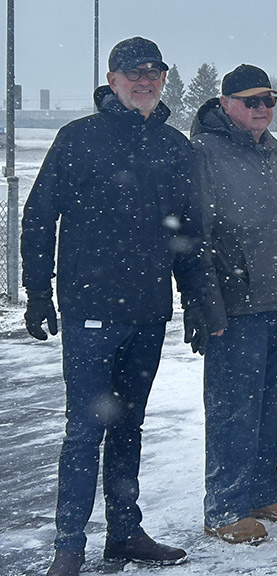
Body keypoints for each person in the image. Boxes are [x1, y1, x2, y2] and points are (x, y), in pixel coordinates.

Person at [21, 37, 195, 575]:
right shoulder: (78, 139)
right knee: (83, 430)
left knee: (129, 426)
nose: (145, 80)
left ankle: (124, 533)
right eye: (133, 72)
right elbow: (38, 217)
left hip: (147, 312)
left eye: (154, 72)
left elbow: (188, 232)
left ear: (164, 79)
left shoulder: (173, 145)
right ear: (113, 79)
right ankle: (68, 546)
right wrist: (38, 293)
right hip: (91, 309)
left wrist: (194, 299)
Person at [191, 64, 277, 544]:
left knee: (274, 404)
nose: (262, 108)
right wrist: (207, 302)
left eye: (269, 100)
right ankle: (224, 504)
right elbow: (194, 233)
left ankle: (264, 488)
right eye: (251, 101)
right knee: (233, 409)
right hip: (238, 305)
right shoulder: (203, 153)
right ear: (226, 104)